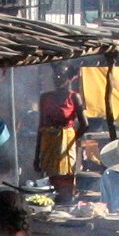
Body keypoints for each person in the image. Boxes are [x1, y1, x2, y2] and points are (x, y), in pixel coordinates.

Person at [35, 67, 87, 204]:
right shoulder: (45, 98)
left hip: (66, 146)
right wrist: (37, 156)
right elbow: (41, 127)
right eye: (55, 77)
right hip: (48, 145)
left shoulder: (74, 97)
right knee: (48, 183)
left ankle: (65, 209)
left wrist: (71, 138)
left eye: (61, 77)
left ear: (69, 79)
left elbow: (84, 124)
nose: (57, 80)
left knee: (65, 181)